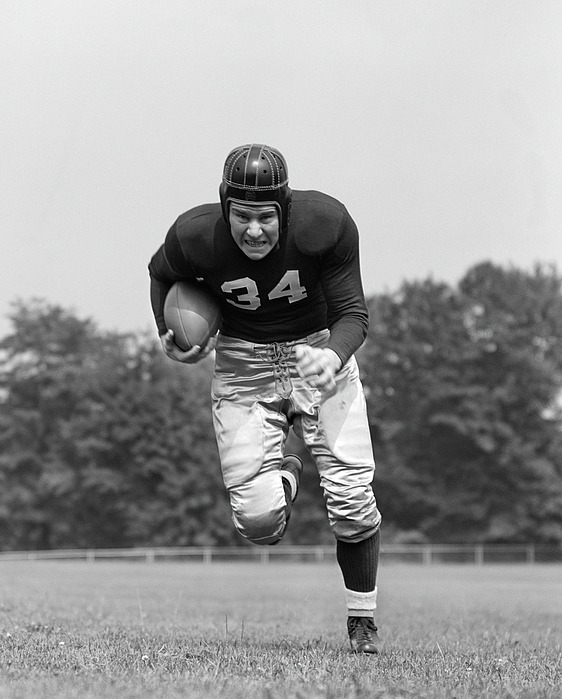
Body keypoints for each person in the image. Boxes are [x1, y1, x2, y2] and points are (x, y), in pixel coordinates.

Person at [148, 143, 382, 654]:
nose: (254, 231)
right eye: (242, 217)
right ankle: (287, 471)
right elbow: (161, 272)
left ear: (286, 212)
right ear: (225, 208)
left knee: (351, 496)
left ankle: (362, 619)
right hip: (242, 362)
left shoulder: (326, 223)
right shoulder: (194, 235)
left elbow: (354, 314)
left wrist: (333, 356)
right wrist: (174, 338)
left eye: (266, 218)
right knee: (257, 524)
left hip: (317, 349)